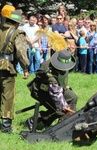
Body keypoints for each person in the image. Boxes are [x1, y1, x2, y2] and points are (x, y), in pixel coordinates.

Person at [26, 50, 78, 130]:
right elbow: (56, 93)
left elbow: (60, 79)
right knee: (59, 109)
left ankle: (67, 122)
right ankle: (33, 120)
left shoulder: (62, 59)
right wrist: (65, 108)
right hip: (41, 91)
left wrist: (64, 86)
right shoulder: (49, 71)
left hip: (55, 87)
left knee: (73, 97)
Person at [0, 5, 29, 133]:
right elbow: (21, 53)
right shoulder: (17, 33)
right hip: (7, 67)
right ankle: (6, 126)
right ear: (16, 22)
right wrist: (26, 68)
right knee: (7, 95)